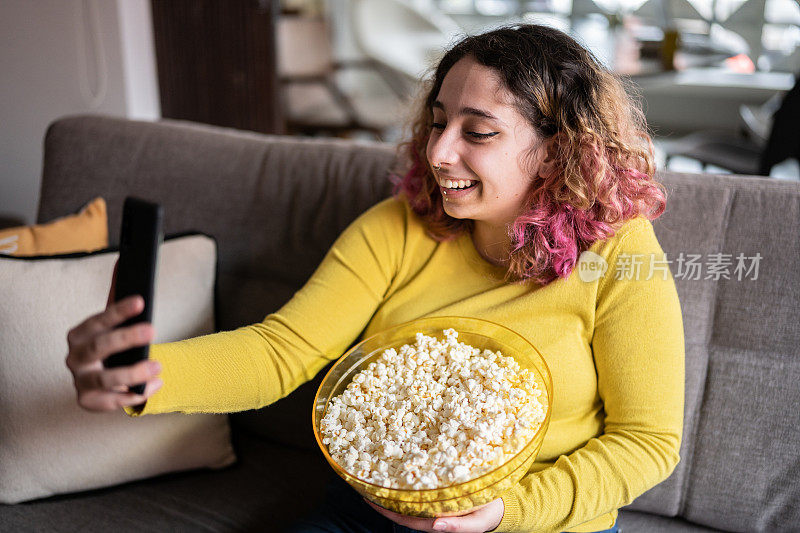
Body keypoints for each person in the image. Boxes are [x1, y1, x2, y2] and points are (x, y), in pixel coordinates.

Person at [65, 24, 684, 533]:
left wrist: (506, 512)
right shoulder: (400, 227)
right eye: (439, 122)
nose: (440, 152)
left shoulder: (621, 251)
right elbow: (281, 352)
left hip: (542, 524)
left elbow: (648, 440)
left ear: (559, 149)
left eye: (479, 132)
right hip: (375, 517)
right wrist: (146, 377)